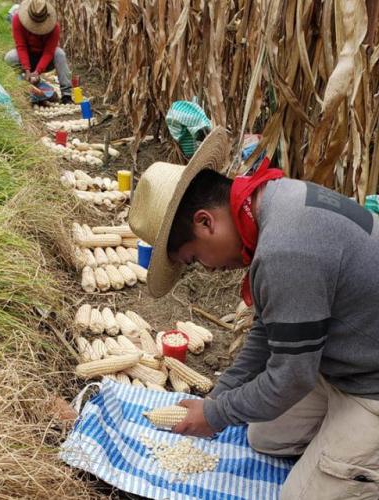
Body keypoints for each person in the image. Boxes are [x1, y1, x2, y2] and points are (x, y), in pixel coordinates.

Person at [129, 127, 379, 499]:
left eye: (194, 258)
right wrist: (219, 398)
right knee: (265, 436)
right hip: (346, 361)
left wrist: (212, 416)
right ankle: (342, 435)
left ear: (204, 222)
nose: (207, 268)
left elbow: (292, 377)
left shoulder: (284, 252)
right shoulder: (271, 201)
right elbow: (267, 329)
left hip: (370, 382)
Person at [4, 0, 73, 103]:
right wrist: (27, 69)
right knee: (10, 58)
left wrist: (37, 72)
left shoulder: (54, 27)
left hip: (45, 60)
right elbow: (21, 47)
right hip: (27, 55)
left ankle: (66, 95)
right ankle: (25, 84)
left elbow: (48, 52)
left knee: (59, 54)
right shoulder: (17, 20)